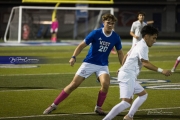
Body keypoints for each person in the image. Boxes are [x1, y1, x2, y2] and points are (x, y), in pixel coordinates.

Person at [43, 13, 124, 115]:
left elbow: (120, 53)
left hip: (102, 65)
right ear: (103, 23)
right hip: (89, 63)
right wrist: (73, 57)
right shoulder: (95, 33)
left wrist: (123, 66)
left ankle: (98, 107)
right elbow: (81, 45)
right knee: (74, 85)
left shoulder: (116, 37)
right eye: (108, 23)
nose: (111, 25)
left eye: (112, 23)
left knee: (106, 84)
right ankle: (53, 105)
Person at [103, 25, 172, 120]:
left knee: (143, 95)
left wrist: (122, 67)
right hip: (127, 75)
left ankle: (129, 116)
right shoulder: (143, 46)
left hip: (128, 75)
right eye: (154, 38)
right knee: (126, 102)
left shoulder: (138, 44)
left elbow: (127, 55)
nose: (155, 41)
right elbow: (145, 63)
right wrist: (162, 70)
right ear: (147, 36)